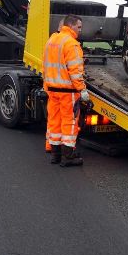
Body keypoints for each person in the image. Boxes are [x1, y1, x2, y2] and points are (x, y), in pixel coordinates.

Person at [42, 14, 90, 166]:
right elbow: (75, 72)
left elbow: (45, 65)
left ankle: (55, 155)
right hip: (67, 92)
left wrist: (46, 87)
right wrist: (82, 91)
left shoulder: (51, 41)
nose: (80, 30)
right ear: (71, 26)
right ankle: (68, 157)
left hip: (52, 89)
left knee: (54, 121)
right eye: (79, 27)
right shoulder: (72, 44)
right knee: (69, 122)